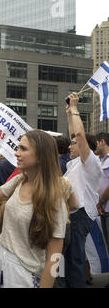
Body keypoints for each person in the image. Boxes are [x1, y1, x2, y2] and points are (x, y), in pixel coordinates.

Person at [0, 130, 77, 288]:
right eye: (18, 148)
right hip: (0, 266)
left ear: (41, 156)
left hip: (25, 277)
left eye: (23, 149)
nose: (16, 153)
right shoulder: (20, 180)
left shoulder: (54, 199)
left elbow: (54, 257)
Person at [63, 93, 102, 288]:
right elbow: (75, 134)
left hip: (80, 214)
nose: (70, 145)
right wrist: (70, 113)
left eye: (74, 144)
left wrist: (76, 108)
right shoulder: (76, 163)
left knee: (75, 258)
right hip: (73, 214)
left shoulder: (91, 163)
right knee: (68, 257)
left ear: (86, 147)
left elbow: (79, 135)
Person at [95, 133, 109, 254]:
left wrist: (101, 201)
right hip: (104, 210)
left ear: (102, 142)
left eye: (96, 143)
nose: (95, 146)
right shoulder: (103, 161)